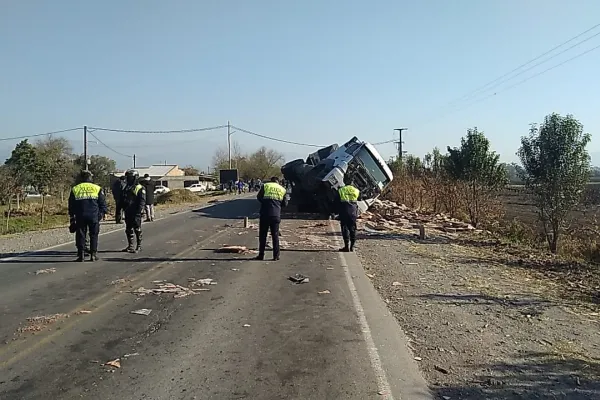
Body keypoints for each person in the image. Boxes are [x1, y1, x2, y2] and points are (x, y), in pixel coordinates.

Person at [68, 170, 107, 262]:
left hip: (80, 216)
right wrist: (101, 215)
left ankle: (81, 255)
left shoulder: (75, 189)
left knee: (81, 235)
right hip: (94, 216)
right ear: (90, 178)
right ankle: (93, 255)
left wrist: (72, 217)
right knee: (94, 235)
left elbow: (71, 205)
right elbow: (103, 204)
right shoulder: (97, 188)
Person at [256, 177, 288, 261]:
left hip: (265, 214)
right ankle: (276, 256)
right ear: (278, 182)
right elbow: (285, 204)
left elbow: (259, 197)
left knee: (263, 236)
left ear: (271, 181)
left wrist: (265, 203)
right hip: (276, 215)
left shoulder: (265, 186)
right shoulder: (282, 189)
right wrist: (277, 205)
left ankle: (261, 255)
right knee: (275, 236)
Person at [121, 169, 146, 253]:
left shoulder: (140, 187)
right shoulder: (126, 187)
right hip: (128, 211)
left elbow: (142, 200)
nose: (128, 179)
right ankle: (130, 245)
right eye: (128, 177)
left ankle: (139, 246)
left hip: (136, 211)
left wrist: (140, 210)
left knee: (137, 228)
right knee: (128, 229)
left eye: (130, 177)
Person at [335, 178, 361, 252]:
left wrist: (336, 211)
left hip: (344, 212)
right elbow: (360, 198)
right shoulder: (356, 191)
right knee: (353, 229)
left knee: (345, 228)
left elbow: (336, 201)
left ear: (344, 182)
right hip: (353, 213)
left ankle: (346, 246)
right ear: (352, 182)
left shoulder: (341, 190)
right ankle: (352, 247)